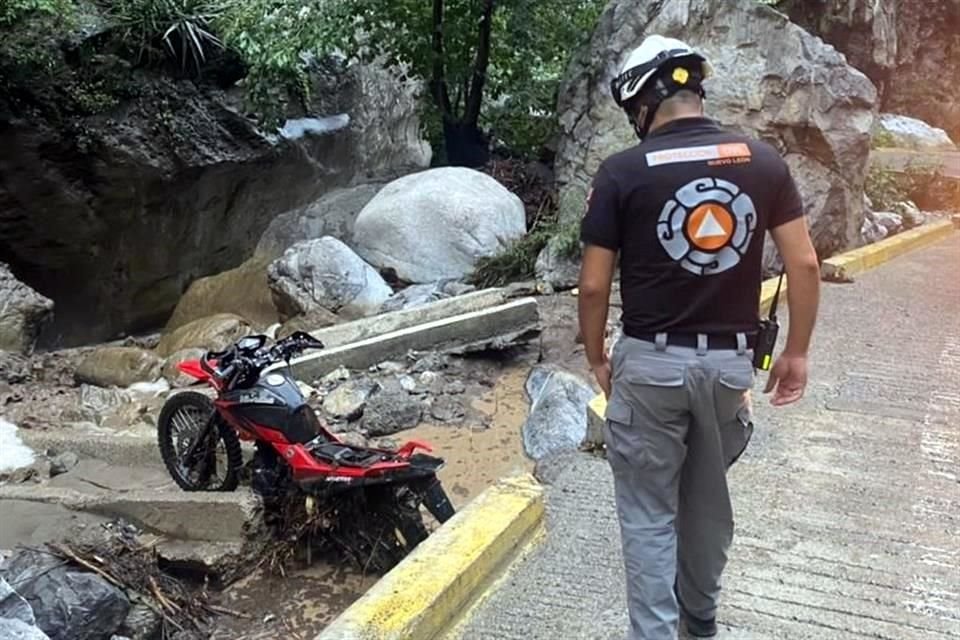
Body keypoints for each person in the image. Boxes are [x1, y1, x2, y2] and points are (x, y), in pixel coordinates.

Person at [576, 35, 821, 639]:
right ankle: (701, 622)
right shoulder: (761, 161)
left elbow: (591, 288)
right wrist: (795, 352)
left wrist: (597, 356)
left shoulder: (621, 172)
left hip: (649, 368)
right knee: (707, 506)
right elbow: (806, 265)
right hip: (728, 371)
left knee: (648, 515)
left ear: (641, 101)